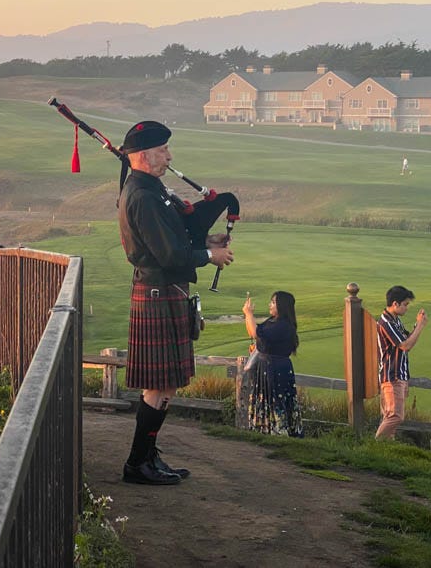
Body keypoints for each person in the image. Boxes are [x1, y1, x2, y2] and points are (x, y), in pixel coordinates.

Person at [117, 120, 234, 485]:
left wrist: (206, 242)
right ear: (142, 155)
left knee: (164, 384)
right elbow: (168, 254)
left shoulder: (152, 189)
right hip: (158, 290)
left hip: (163, 291)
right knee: (159, 385)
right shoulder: (142, 195)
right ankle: (138, 463)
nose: (169, 155)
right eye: (163, 150)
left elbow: (175, 236)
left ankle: (147, 456)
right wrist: (208, 258)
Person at [242, 291, 304, 437]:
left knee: (276, 400)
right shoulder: (272, 321)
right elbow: (255, 332)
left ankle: (279, 431)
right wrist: (247, 315)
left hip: (276, 369)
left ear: (282, 306)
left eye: (274, 302)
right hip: (266, 367)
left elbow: (255, 333)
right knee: (265, 399)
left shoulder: (284, 325)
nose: (270, 305)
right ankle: (265, 429)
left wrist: (249, 313)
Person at [375, 285, 428, 440]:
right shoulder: (386, 322)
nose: (407, 308)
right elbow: (405, 345)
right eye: (405, 304)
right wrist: (420, 325)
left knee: (390, 418)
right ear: (395, 304)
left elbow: (406, 343)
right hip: (392, 376)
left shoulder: (395, 320)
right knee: (395, 416)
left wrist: (417, 327)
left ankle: (385, 450)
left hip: (399, 375)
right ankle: (375, 446)